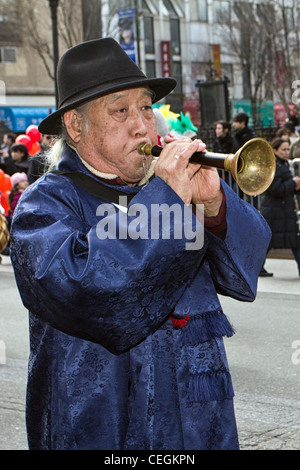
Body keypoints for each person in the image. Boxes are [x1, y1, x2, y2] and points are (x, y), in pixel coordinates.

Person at [10, 37, 271, 451]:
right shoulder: (43, 204)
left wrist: (214, 203)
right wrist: (166, 196)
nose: (142, 125)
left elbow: (244, 275)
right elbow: (92, 291)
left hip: (200, 426)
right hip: (103, 428)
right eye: (121, 110)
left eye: (146, 107)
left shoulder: (166, 190)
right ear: (77, 127)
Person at [260, 138, 300, 277]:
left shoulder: (283, 164)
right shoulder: (274, 165)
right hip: (275, 209)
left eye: (288, 149)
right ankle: (258, 268)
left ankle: (258, 268)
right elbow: (275, 188)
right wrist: (292, 183)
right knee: (269, 241)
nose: (287, 152)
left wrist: (294, 186)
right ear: (275, 150)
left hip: (282, 209)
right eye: (284, 149)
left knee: (294, 241)